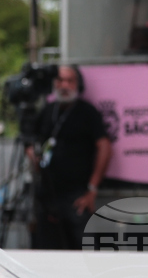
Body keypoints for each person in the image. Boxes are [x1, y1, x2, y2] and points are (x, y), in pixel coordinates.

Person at [27, 66, 110, 249]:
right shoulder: (47, 111)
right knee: (46, 249)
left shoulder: (87, 112)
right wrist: (34, 158)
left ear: (78, 85)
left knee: (82, 247)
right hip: (47, 194)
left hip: (77, 195)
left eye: (69, 80)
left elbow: (104, 146)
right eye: (60, 80)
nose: (64, 85)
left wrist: (92, 189)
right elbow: (30, 142)